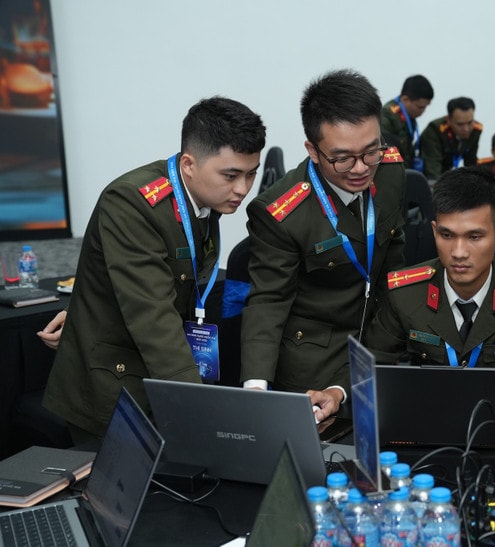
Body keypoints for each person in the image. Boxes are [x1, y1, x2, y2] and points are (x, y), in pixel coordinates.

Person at [41, 97, 266, 442]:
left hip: (162, 379)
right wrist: (200, 407)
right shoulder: (133, 203)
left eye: (251, 174)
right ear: (189, 164)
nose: (243, 189)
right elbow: (152, 315)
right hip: (113, 389)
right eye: (231, 175)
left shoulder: (204, 198)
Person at [241, 69, 406, 421]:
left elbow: (393, 260)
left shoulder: (390, 170)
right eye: (343, 158)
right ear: (313, 151)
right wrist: (255, 389)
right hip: (314, 366)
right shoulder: (282, 213)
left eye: (371, 151)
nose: (360, 168)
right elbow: (268, 302)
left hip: (380, 346)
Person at [364, 166, 495, 417]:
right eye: (447, 235)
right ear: (434, 232)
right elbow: (372, 364)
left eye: (474, 237)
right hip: (428, 418)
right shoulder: (405, 293)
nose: (459, 252)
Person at [419, 96, 482, 180]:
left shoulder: (476, 130)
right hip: (424, 175)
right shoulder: (434, 131)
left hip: (447, 173)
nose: (466, 129)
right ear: (448, 120)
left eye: (470, 122)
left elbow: (471, 163)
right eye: (460, 124)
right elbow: (432, 170)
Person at [380, 74, 434, 171]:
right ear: (405, 99)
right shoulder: (387, 118)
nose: (423, 111)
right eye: (420, 107)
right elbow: (386, 155)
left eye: (426, 107)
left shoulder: (409, 116)